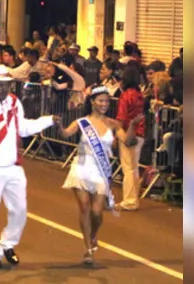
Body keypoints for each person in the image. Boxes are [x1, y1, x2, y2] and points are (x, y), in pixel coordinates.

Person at [0, 65, 60, 267]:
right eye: (1, 86)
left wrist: (48, 120)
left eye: (8, 85)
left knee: (20, 209)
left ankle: (8, 243)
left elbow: (23, 128)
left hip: (13, 165)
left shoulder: (14, 102)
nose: (5, 89)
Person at [57, 86, 143, 264]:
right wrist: (58, 124)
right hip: (81, 167)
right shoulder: (82, 122)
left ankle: (93, 234)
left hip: (100, 170)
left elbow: (127, 140)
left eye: (106, 101)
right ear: (92, 102)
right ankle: (88, 247)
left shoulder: (113, 124)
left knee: (97, 212)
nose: (104, 104)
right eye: (101, 100)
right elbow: (65, 134)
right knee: (85, 207)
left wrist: (133, 125)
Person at [115, 65, 146, 212]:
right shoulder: (140, 95)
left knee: (128, 168)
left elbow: (121, 117)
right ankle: (132, 199)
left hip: (128, 132)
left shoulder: (126, 95)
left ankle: (130, 200)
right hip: (140, 133)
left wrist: (117, 135)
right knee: (134, 168)